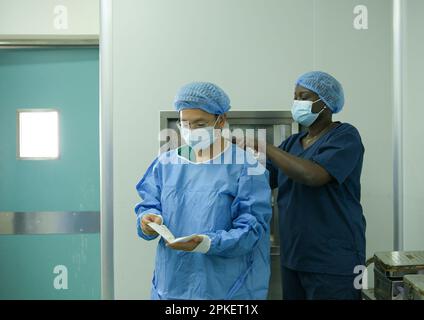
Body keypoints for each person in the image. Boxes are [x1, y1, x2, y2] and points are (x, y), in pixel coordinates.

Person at [135, 82, 272, 300]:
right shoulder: (166, 163)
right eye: (185, 123)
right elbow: (149, 205)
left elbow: (252, 229)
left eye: (200, 124)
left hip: (226, 288)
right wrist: (148, 221)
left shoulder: (247, 166)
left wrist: (208, 243)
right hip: (172, 285)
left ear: (221, 120)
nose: (192, 131)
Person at [243, 71, 366, 300]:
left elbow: (314, 176)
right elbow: (259, 181)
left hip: (334, 261)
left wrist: (265, 147)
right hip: (295, 256)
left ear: (326, 103)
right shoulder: (292, 143)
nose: (298, 102)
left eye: (305, 96)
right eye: (295, 96)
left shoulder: (345, 136)